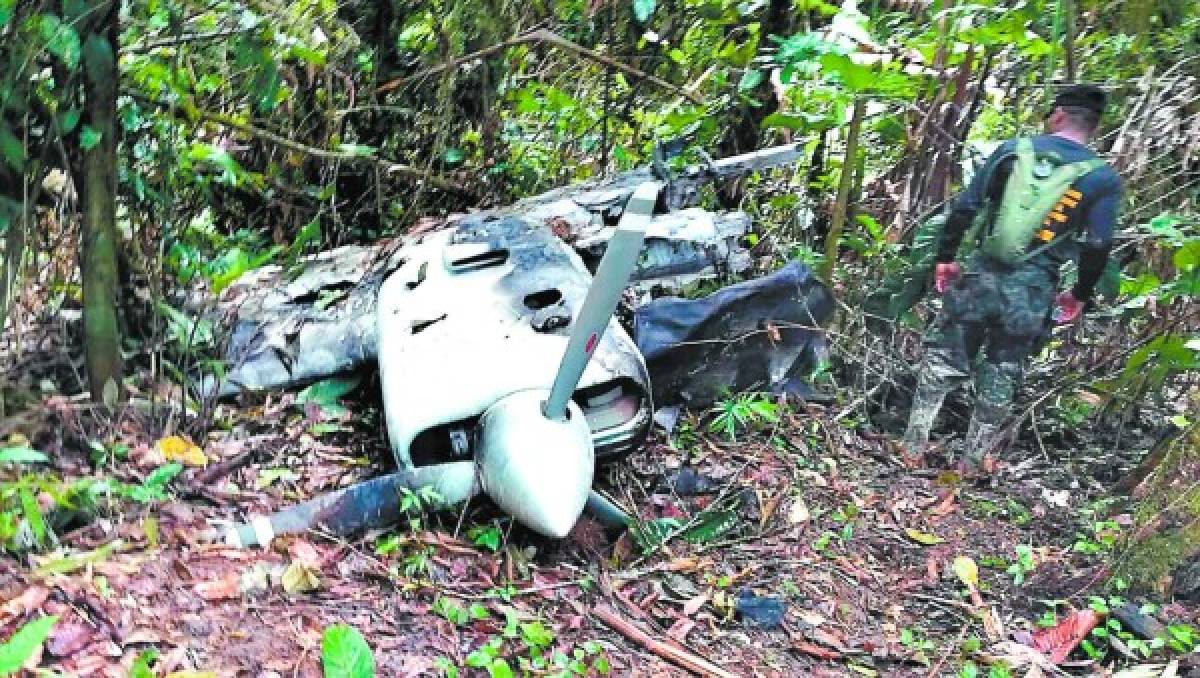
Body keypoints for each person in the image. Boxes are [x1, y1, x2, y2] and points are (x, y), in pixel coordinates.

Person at [899, 84, 1123, 470]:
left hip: (982, 273)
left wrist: (945, 258)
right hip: (1033, 288)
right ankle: (969, 464)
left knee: (944, 357)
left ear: (1057, 115)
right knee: (1002, 369)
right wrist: (1080, 293)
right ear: (1093, 127)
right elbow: (1098, 244)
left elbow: (966, 207)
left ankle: (912, 446)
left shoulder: (1012, 150)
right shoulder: (1101, 178)